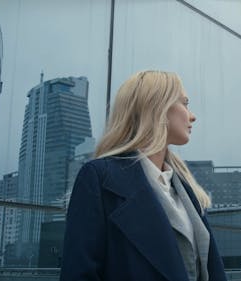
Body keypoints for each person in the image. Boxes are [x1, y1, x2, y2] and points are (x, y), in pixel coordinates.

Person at [60, 70, 227, 281]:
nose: (192, 115)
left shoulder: (186, 191)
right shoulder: (99, 179)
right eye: (184, 103)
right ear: (159, 107)